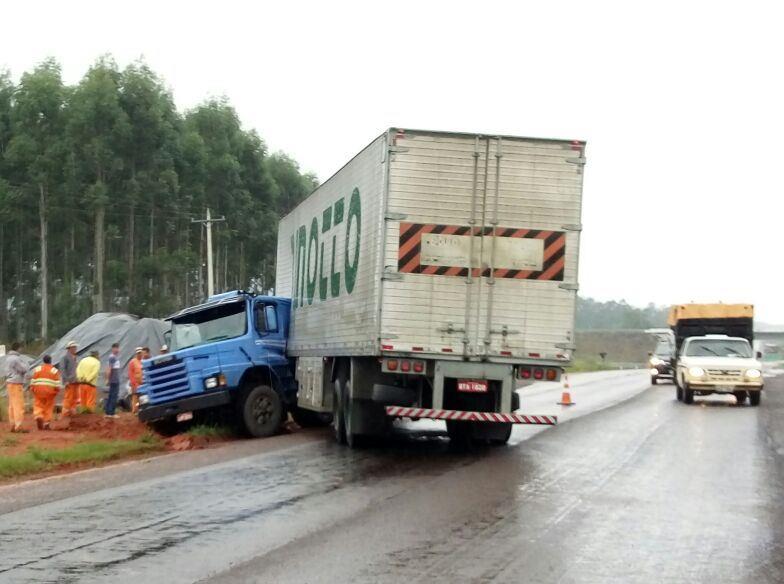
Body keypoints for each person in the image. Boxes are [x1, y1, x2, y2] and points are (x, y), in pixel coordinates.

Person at [30, 355, 61, 430]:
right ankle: (47, 423)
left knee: (38, 405)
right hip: (50, 392)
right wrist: (56, 391)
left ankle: (38, 416)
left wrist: (32, 389)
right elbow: (57, 384)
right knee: (48, 407)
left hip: (38, 391)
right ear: (50, 361)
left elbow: (33, 381)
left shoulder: (37, 369)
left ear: (43, 361)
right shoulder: (54, 371)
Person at [4, 342, 28, 433]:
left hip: (9, 382)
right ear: (18, 348)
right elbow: (23, 369)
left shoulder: (8, 358)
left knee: (11, 405)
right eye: (21, 348)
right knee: (18, 405)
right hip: (16, 383)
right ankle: (19, 426)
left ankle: (13, 424)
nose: (22, 350)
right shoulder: (16, 359)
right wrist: (26, 365)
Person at [60, 341, 80, 416]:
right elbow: (62, 369)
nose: (75, 349)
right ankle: (65, 411)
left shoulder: (75, 357)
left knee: (75, 396)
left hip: (76, 380)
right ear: (69, 348)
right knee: (69, 396)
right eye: (74, 347)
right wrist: (65, 380)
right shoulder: (65, 358)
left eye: (75, 347)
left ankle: (72, 410)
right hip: (69, 381)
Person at [104, 343, 121, 418]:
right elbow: (109, 368)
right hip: (114, 380)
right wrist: (107, 379)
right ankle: (111, 413)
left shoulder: (114, 357)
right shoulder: (112, 357)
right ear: (113, 349)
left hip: (115, 379)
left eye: (118, 348)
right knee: (113, 396)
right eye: (116, 348)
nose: (117, 350)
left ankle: (108, 412)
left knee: (111, 395)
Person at [127, 347, 144, 414]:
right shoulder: (132, 362)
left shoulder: (143, 361)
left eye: (140, 353)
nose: (139, 354)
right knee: (135, 397)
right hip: (136, 383)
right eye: (138, 353)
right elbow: (130, 374)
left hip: (143, 383)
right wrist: (133, 384)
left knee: (142, 397)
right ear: (136, 354)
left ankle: (141, 409)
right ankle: (135, 411)